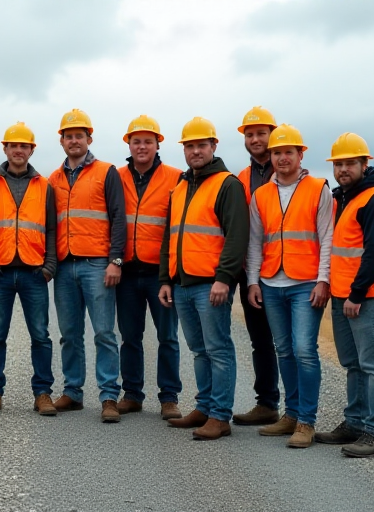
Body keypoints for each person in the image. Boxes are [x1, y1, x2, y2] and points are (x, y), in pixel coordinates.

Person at [159, 117, 248, 440]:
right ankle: (205, 406)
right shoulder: (181, 186)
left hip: (211, 285)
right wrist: (165, 279)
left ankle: (220, 416)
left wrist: (224, 279)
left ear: (213, 147)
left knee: (218, 349)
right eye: (190, 146)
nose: (195, 151)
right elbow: (170, 236)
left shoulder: (228, 184)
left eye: (201, 145)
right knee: (199, 350)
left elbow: (237, 237)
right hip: (181, 284)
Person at [245, 125, 332, 448]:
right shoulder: (261, 194)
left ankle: (306, 423)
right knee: (284, 351)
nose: (282, 158)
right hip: (270, 282)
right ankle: (291, 415)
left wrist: (324, 279)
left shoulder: (318, 188)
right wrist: (253, 281)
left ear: (300, 155)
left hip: (306, 284)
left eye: (288, 152)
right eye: (277, 153)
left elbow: (327, 238)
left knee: (305, 351)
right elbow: (255, 242)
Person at [315, 133, 374, 458]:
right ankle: (354, 423)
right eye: (338, 164)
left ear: (366, 164)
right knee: (353, 364)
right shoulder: (345, 198)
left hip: (366, 297)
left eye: (350, 163)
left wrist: (357, 294)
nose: (343, 169)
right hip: (343, 296)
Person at [48, 109, 127, 423]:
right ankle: (72, 392)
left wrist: (115, 261)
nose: (74, 140)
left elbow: (119, 218)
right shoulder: (52, 179)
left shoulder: (107, 172)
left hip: (97, 265)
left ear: (89, 138)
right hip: (65, 266)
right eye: (68, 136)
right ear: (62, 141)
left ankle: (109, 396)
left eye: (79, 135)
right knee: (69, 334)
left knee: (105, 333)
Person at [0, 122, 58, 416]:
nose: (18, 150)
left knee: (40, 335)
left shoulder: (44, 185)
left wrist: (49, 266)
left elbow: (51, 227)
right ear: (5, 149)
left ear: (31, 150)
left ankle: (43, 394)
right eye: (13, 145)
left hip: (34, 272)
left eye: (24, 146)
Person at [114, 115, 183, 421]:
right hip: (127, 271)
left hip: (161, 274)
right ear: (128, 144)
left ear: (158, 145)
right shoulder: (115, 177)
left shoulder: (176, 177)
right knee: (130, 337)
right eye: (136, 141)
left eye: (148, 141)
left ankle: (169, 398)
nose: (142, 146)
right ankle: (132, 394)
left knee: (167, 336)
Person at [232, 106, 282, 426]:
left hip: (285, 268)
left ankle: (301, 411)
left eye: (261, 133)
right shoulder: (241, 178)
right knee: (260, 339)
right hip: (249, 270)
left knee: (291, 342)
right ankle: (267, 403)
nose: (255, 139)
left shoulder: (288, 172)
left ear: (272, 135)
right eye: (250, 134)